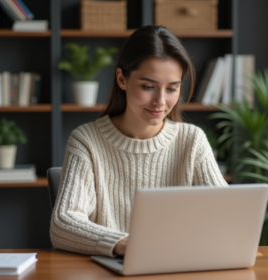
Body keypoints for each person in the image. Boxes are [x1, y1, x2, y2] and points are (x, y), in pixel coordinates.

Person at [50, 25, 227, 257]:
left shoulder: (192, 140)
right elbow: (63, 223)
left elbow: (226, 214)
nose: (160, 102)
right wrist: (123, 244)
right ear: (122, 79)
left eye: (172, 89)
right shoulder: (86, 141)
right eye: (148, 87)